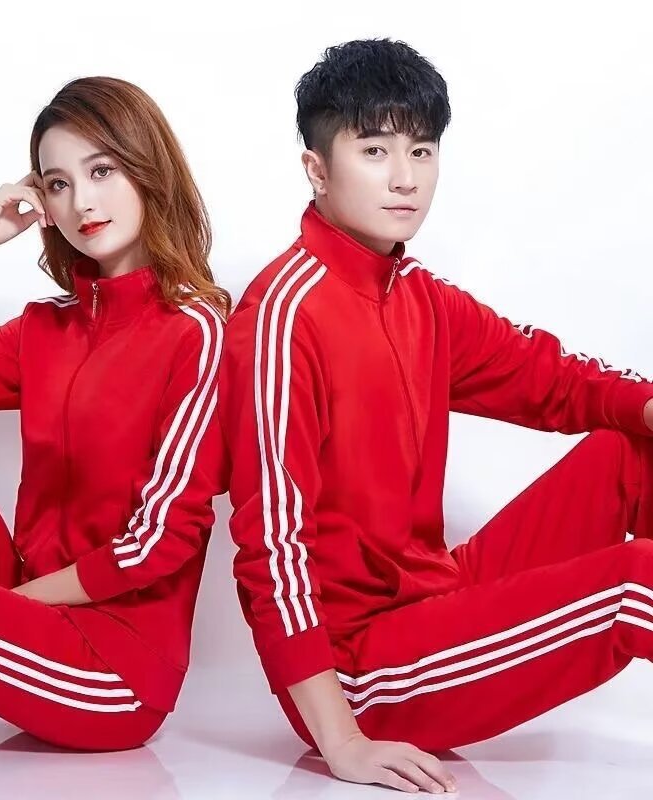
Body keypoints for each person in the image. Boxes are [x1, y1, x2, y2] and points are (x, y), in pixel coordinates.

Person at [218, 38, 653, 793]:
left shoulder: (418, 296)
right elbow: (270, 548)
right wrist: (341, 741)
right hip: (359, 669)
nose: (405, 178)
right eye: (374, 150)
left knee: (633, 448)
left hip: (432, 594)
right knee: (637, 583)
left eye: (421, 150)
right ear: (316, 169)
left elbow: (550, 376)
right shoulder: (282, 319)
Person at [0, 75, 229, 751]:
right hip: (27, 620)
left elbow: (162, 540)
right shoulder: (44, 329)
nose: (82, 201)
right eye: (58, 183)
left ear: (148, 169)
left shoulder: (197, 332)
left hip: (109, 674)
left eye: (102, 170)